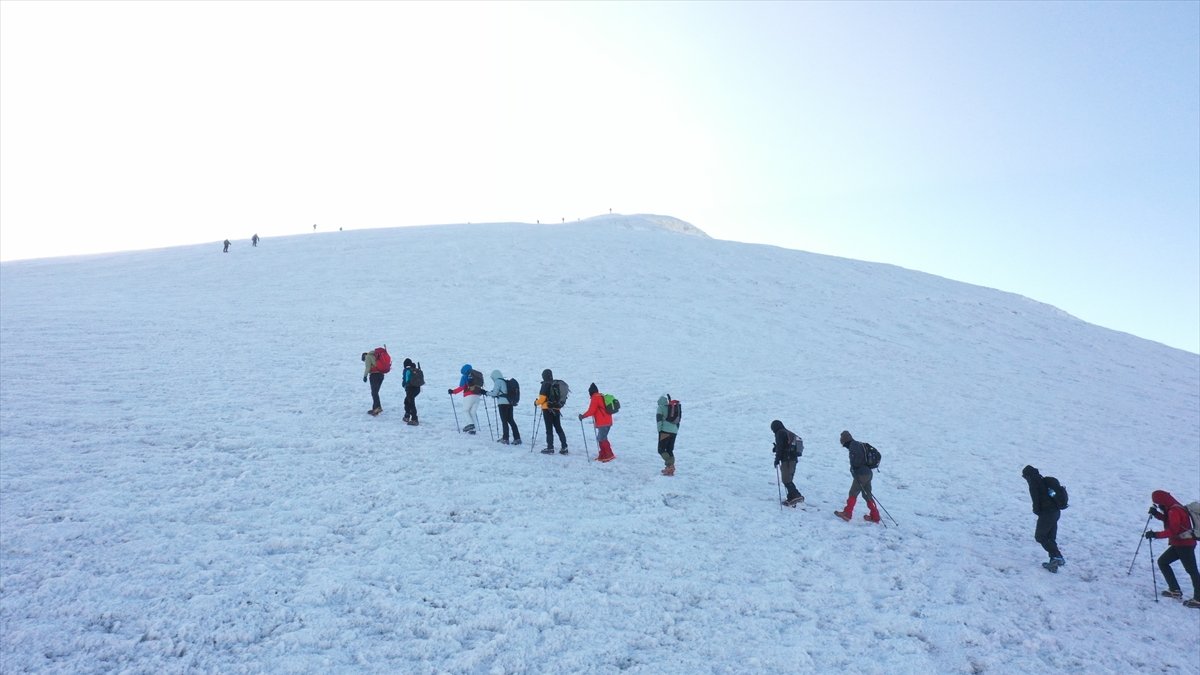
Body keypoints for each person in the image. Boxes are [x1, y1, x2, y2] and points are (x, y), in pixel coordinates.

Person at [1146, 490, 1200, 607]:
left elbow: (1173, 531)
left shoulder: (1173, 510)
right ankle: (1174, 590)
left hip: (1184, 545)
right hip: (1181, 544)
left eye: (1158, 503)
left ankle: (1198, 599)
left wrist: (1155, 534)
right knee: (1163, 562)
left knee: (1192, 571)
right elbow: (1171, 521)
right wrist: (1157, 514)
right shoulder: (1175, 506)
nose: (1159, 506)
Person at [1022, 465, 1065, 571]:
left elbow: (1036, 499)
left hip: (1047, 514)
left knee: (1040, 536)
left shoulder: (1033, 482)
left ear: (1027, 475)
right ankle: (1054, 562)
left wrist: (1036, 511)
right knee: (1050, 538)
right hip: (1056, 512)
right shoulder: (1045, 481)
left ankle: (1056, 557)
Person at [835, 430, 881, 523]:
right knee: (867, 495)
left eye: (843, 443)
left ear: (845, 441)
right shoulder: (858, 444)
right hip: (868, 473)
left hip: (861, 474)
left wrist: (854, 468)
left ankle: (847, 514)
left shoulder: (853, 446)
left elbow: (857, 461)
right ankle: (875, 516)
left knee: (853, 493)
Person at [535, 369, 568, 454]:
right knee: (558, 428)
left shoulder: (545, 384)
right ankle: (564, 447)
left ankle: (550, 448)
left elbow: (542, 399)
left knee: (549, 429)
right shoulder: (555, 384)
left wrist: (536, 402)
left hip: (547, 409)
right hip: (556, 409)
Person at [579, 383, 615, 462]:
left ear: (591, 392)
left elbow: (591, 411)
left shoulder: (595, 398)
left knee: (601, 438)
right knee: (602, 438)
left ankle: (608, 455)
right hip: (607, 421)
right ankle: (603, 455)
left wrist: (583, 416)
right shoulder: (601, 396)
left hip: (603, 422)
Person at [771, 420, 804, 505]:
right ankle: (791, 498)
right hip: (793, 459)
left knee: (786, 479)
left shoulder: (779, 433)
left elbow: (780, 448)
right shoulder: (787, 432)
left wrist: (777, 459)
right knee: (788, 478)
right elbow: (784, 445)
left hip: (787, 459)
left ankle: (796, 495)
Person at [487, 370, 521, 444]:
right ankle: (517, 438)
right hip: (509, 403)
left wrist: (486, 393)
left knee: (504, 421)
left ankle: (505, 439)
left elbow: (494, 393)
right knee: (511, 420)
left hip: (502, 404)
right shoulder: (505, 381)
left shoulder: (498, 381)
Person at [448, 364, 483, 434]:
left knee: (465, 411)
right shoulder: (476, 376)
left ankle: (470, 425)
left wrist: (453, 391)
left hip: (469, 396)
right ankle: (474, 429)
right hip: (477, 396)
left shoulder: (465, 377)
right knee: (472, 412)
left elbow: (462, 387)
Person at [656, 395, 679, 475]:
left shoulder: (660, 408)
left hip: (664, 431)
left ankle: (670, 466)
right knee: (669, 450)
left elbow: (659, 421)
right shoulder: (672, 408)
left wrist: (660, 431)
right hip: (674, 431)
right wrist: (675, 430)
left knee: (661, 449)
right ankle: (670, 467)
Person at [361, 350, 385, 415]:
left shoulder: (368, 357)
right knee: (375, 392)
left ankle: (377, 408)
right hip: (381, 375)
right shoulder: (374, 356)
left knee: (374, 392)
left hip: (374, 375)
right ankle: (376, 408)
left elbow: (368, 367)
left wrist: (365, 376)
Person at [401, 358, 421, 425]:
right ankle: (407, 416)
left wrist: (404, 386)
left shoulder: (407, 370)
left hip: (410, 389)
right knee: (407, 401)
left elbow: (406, 380)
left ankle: (414, 419)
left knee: (411, 403)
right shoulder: (416, 370)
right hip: (417, 389)